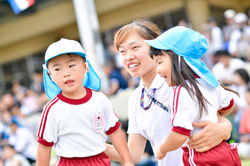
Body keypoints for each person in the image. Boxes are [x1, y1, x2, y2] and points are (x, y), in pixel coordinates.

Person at [105, 20, 233, 166]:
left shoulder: (181, 84)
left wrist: (225, 128)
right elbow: (133, 155)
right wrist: (93, 145)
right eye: (122, 51)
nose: (128, 57)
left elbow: (219, 113)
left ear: (156, 46)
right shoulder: (135, 98)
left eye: (135, 47)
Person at [145, 26, 241, 165]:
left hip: (200, 156)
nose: (158, 70)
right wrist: (215, 116)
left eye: (160, 62)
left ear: (179, 60)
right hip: (223, 150)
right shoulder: (208, 82)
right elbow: (229, 104)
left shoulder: (180, 92)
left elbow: (180, 133)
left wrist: (162, 149)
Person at [36, 38, 134, 166]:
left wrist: (127, 161)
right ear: (50, 76)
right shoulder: (52, 109)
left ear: (85, 67)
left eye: (71, 66)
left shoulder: (100, 99)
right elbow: (44, 146)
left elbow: (115, 132)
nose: (66, 73)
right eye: (57, 69)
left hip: (100, 161)